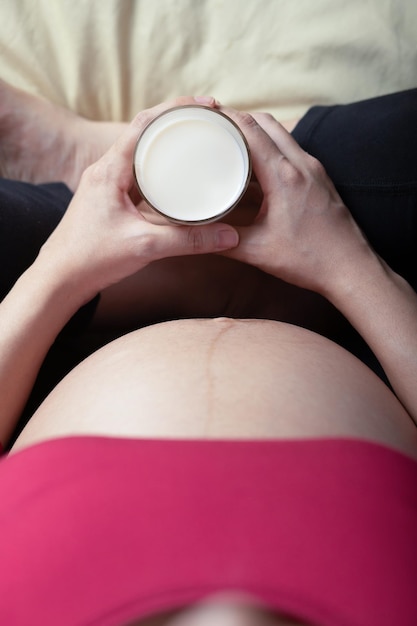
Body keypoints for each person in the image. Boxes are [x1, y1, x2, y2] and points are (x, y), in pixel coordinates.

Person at [0, 87, 416, 626]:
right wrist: (352, 267)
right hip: (384, 342)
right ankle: (192, 221)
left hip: (36, 349)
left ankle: (111, 202)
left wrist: (58, 270)